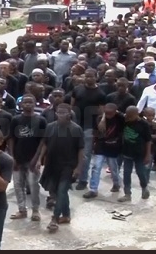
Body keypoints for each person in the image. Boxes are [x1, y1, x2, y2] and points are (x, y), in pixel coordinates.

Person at [34, 103, 84, 233]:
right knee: (58, 191)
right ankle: (66, 215)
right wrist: (39, 159)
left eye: (63, 112)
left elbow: (80, 149)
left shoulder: (76, 129)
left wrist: (78, 167)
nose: (61, 115)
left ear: (69, 114)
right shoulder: (50, 127)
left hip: (68, 165)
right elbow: (45, 144)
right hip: (52, 164)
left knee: (61, 191)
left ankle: (54, 219)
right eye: (58, 112)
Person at [8, 94, 47, 221]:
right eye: (25, 102)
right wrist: (12, 157)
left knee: (34, 185)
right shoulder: (16, 120)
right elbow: (11, 139)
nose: (28, 105)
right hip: (18, 158)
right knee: (18, 185)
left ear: (35, 103)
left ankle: (35, 210)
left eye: (31, 102)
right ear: (20, 104)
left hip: (33, 159)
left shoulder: (40, 120)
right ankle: (22, 210)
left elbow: (43, 141)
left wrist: (38, 159)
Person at [83, 103, 124, 199]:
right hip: (101, 146)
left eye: (111, 113)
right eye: (107, 113)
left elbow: (122, 116)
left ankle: (116, 183)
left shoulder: (119, 118)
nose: (108, 115)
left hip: (113, 146)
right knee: (96, 167)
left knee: (113, 168)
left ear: (115, 112)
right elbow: (95, 132)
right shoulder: (99, 119)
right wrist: (93, 144)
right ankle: (93, 189)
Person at [118, 106, 151, 202]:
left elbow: (148, 140)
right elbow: (115, 111)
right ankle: (127, 194)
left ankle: (144, 188)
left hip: (140, 153)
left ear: (137, 114)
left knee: (140, 172)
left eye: (131, 117)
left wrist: (148, 154)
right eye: (127, 116)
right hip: (127, 151)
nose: (129, 119)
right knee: (126, 173)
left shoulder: (143, 124)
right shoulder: (125, 120)